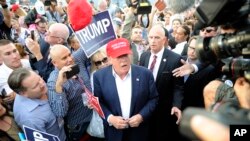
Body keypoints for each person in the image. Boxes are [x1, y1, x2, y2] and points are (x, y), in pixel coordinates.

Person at [93, 38, 158, 141]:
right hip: (114, 133)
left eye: (126, 55)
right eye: (119, 56)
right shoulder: (99, 77)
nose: (124, 60)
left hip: (139, 132)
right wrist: (110, 118)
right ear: (109, 59)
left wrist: (141, 116)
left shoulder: (145, 74)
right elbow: (98, 102)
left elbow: (153, 99)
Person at [139, 25, 184, 140]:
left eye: (157, 38)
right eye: (151, 37)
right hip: (144, 110)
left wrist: (176, 105)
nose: (153, 41)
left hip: (163, 111)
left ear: (164, 40)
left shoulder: (174, 59)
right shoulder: (144, 56)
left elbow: (178, 86)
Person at [47, 44, 92, 141]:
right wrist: (59, 85)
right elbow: (60, 112)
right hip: (80, 126)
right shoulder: (53, 82)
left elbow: (88, 45)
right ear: (55, 63)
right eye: (64, 58)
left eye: (69, 54)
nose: (70, 59)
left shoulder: (75, 61)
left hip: (94, 115)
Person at [8, 68, 66, 141]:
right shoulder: (30, 119)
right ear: (22, 93)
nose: (42, 84)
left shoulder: (34, 87)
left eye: (39, 79)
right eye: (35, 86)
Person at [0, 39, 31, 111]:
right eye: (8, 54)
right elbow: (15, 98)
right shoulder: (1, 75)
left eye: (15, 51)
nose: (14, 56)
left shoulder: (26, 63)